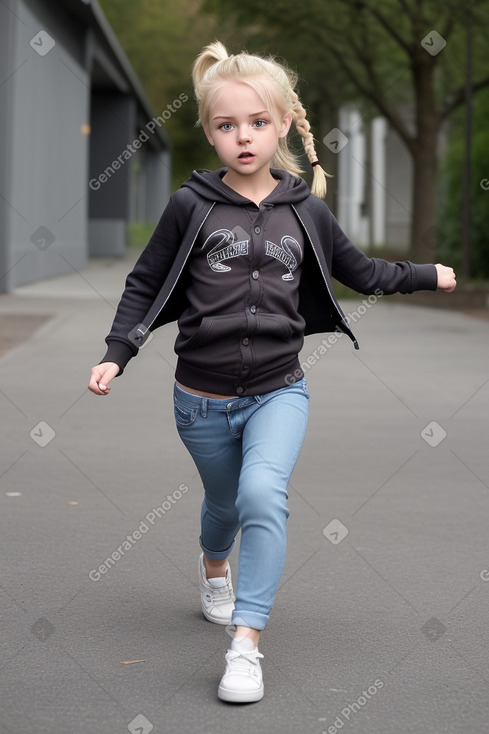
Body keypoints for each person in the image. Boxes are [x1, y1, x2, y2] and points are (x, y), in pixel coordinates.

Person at [88, 40, 456, 704]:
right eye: (226, 126)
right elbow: (144, 285)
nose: (243, 137)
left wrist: (425, 274)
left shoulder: (303, 210)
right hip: (198, 401)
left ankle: (246, 644)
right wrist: (117, 352)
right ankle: (213, 564)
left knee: (262, 495)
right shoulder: (190, 207)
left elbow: (361, 273)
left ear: (282, 123)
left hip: (278, 392)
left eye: (257, 123)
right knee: (224, 506)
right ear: (209, 131)